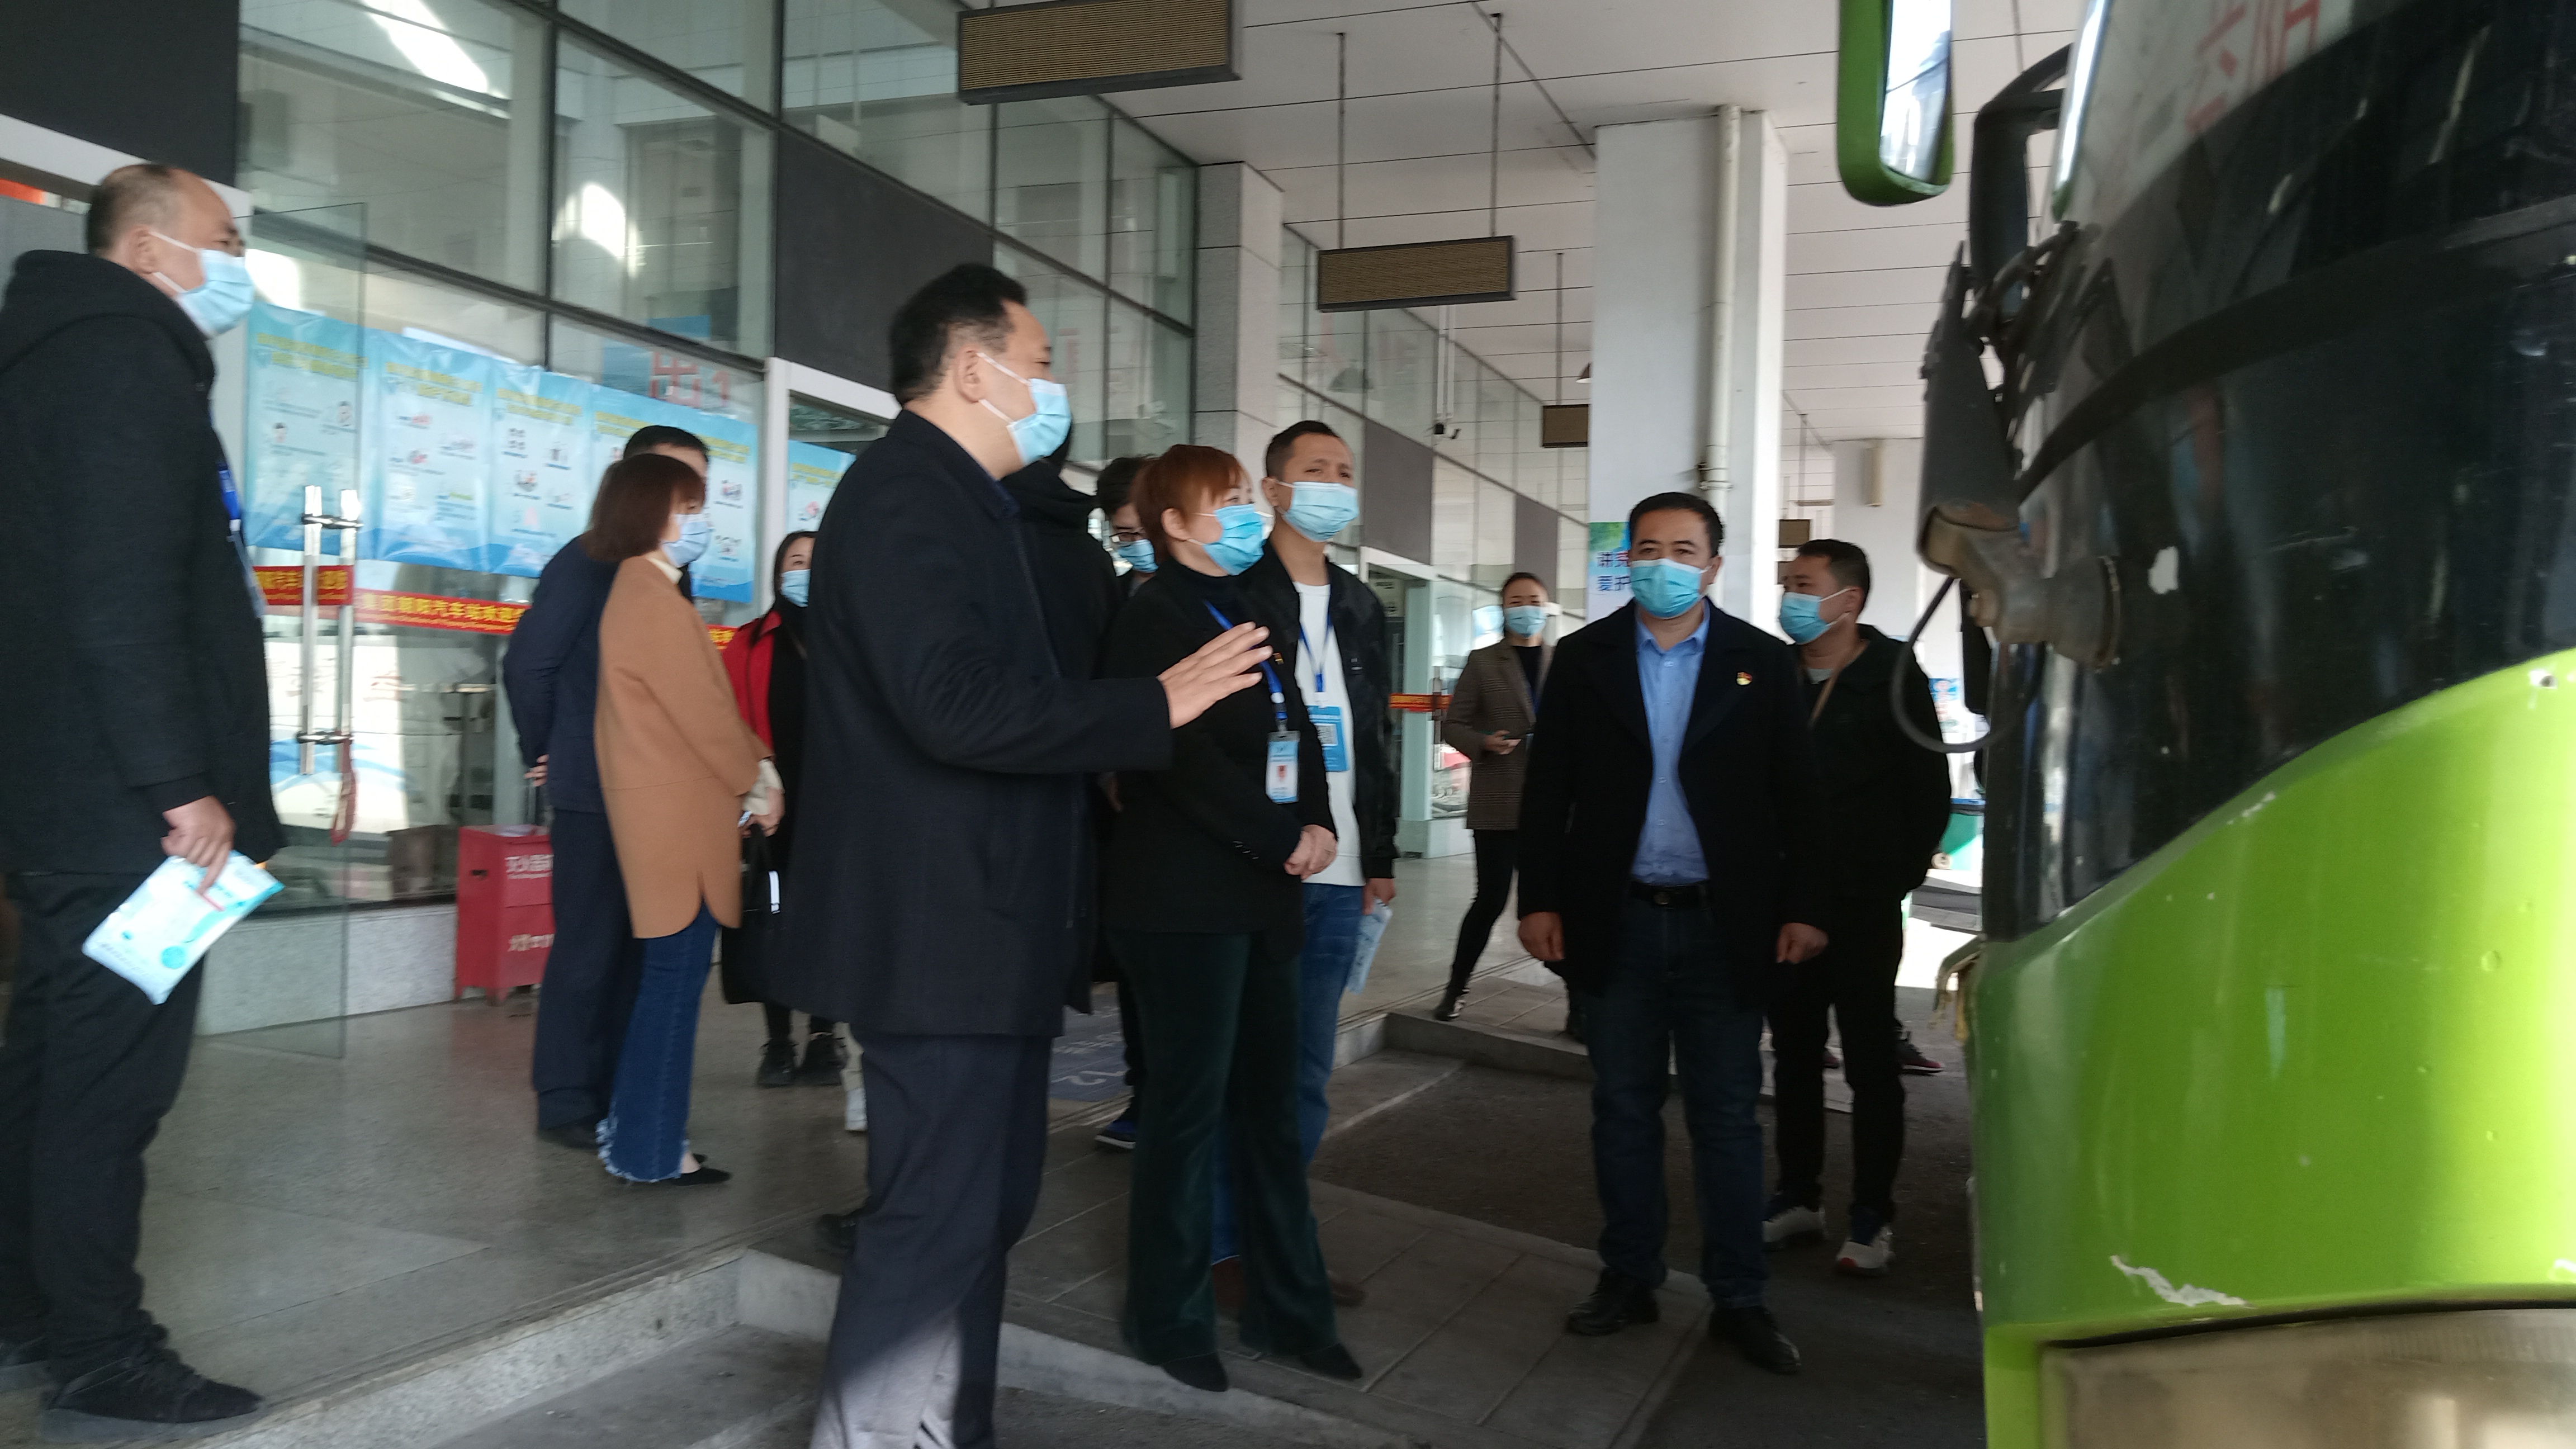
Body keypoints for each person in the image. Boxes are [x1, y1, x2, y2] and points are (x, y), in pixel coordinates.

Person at [768, 264, 1268, 1449]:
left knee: (982, 1211)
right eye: (1039, 365)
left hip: (987, 928)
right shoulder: (905, 496)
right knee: (935, 1218)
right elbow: (953, 705)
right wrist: (1150, 704)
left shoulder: (967, 502)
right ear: (972, 366)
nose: (1052, 390)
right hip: (940, 930)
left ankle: (949, 1428)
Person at [0, 163, 276, 1439]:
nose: (239, 263)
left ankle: (25, 1306)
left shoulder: (56, 355)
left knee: (53, 1064)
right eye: (226, 239)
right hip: (129, 807)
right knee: (107, 1088)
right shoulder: (120, 362)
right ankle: (102, 1349)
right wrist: (181, 786)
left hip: (68, 788)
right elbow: (121, 596)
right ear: (154, 247)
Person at [1516, 491, 1827, 1376]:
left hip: (1725, 925)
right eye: (1647, 549)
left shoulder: (1761, 663)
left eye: (1684, 550)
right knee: (1622, 1109)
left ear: (1714, 566)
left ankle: (1741, 1297)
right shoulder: (1585, 659)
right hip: (1615, 920)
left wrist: (1805, 907)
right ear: (1628, 562)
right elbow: (1549, 790)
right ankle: (1629, 1276)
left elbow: (1800, 797)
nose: (1664, 564)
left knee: (1727, 1117)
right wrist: (1539, 899)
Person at [1100, 444, 1363, 1391]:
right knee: (1185, 1116)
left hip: (1263, 895)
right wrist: (1276, 836)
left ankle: (1291, 1311)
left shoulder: (1252, 605)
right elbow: (1178, 757)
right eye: (1227, 501)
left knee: (1270, 1115)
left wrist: (1319, 822)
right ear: (1173, 524)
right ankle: (1170, 1320)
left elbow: (1299, 730)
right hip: (1184, 905)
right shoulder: (1152, 615)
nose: (1248, 512)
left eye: (1248, 496)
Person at [1211, 419, 1396, 1308]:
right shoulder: (1236, 592)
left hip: (1342, 872)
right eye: (1317, 469)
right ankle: (1222, 1250)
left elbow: (1377, 737)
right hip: (1257, 866)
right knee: (1239, 1072)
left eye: (1346, 471)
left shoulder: (1361, 604)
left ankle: (1281, 1247)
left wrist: (1380, 855)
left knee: (1305, 1078)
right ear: (1276, 489)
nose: (1336, 484)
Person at [505, 424, 712, 1150]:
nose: (689, 509)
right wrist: (546, 747)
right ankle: (567, 1098)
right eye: (675, 488)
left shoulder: (669, 571)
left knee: (640, 952)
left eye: (697, 494)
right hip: (596, 791)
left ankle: (620, 1094)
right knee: (589, 949)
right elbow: (529, 663)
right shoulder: (587, 560)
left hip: (660, 795)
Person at [1763, 539, 1951, 1277]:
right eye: (1789, 583)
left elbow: (1927, 796)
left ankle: (1873, 1214)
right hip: (1785, 905)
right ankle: (1798, 1196)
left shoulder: (1893, 675)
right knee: (1795, 1056)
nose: (1792, 597)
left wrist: (1886, 884)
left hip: (1862, 905)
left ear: (1850, 600)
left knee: (1871, 1063)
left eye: (1805, 585)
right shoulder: (1773, 673)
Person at [590, 452, 780, 1183]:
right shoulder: (651, 599)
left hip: (669, 823)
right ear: (651, 513)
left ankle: (639, 1138)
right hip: (676, 829)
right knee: (671, 992)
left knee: (664, 987)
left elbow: (706, 710)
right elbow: (702, 715)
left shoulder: (645, 592)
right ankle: (650, 1151)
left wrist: (754, 764)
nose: (699, 524)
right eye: (688, 509)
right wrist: (757, 783)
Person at [719, 531, 845, 1089]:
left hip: (836, 811)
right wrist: (751, 792)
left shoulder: (851, 641)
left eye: (816, 562)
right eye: (796, 561)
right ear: (777, 574)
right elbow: (725, 724)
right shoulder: (748, 643)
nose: (805, 572)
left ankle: (823, 1037)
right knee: (773, 922)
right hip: (771, 810)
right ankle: (777, 1042)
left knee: (831, 923)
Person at [1435, 570, 1553, 1022]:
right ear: (1503, 609)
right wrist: (1483, 742)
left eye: (1534, 601)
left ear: (1546, 607)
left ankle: (1579, 1005)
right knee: (1490, 900)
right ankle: (1456, 988)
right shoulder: (1484, 662)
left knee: (1554, 904)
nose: (1526, 609)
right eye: (1516, 601)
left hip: (1553, 806)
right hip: (1499, 799)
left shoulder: (1563, 661)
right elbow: (1454, 724)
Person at [1092, 456, 1156, 1152]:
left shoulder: (1216, 594)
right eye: (1124, 534)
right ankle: (1144, 1093)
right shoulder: (1106, 598)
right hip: (1121, 809)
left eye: (1144, 528)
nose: (1137, 544)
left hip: (1191, 805)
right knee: (1135, 962)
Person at [1098, 454, 1155, 599]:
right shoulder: (1110, 596)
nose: (1139, 543)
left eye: (1147, 530)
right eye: (1125, 534)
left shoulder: (1200, 589)